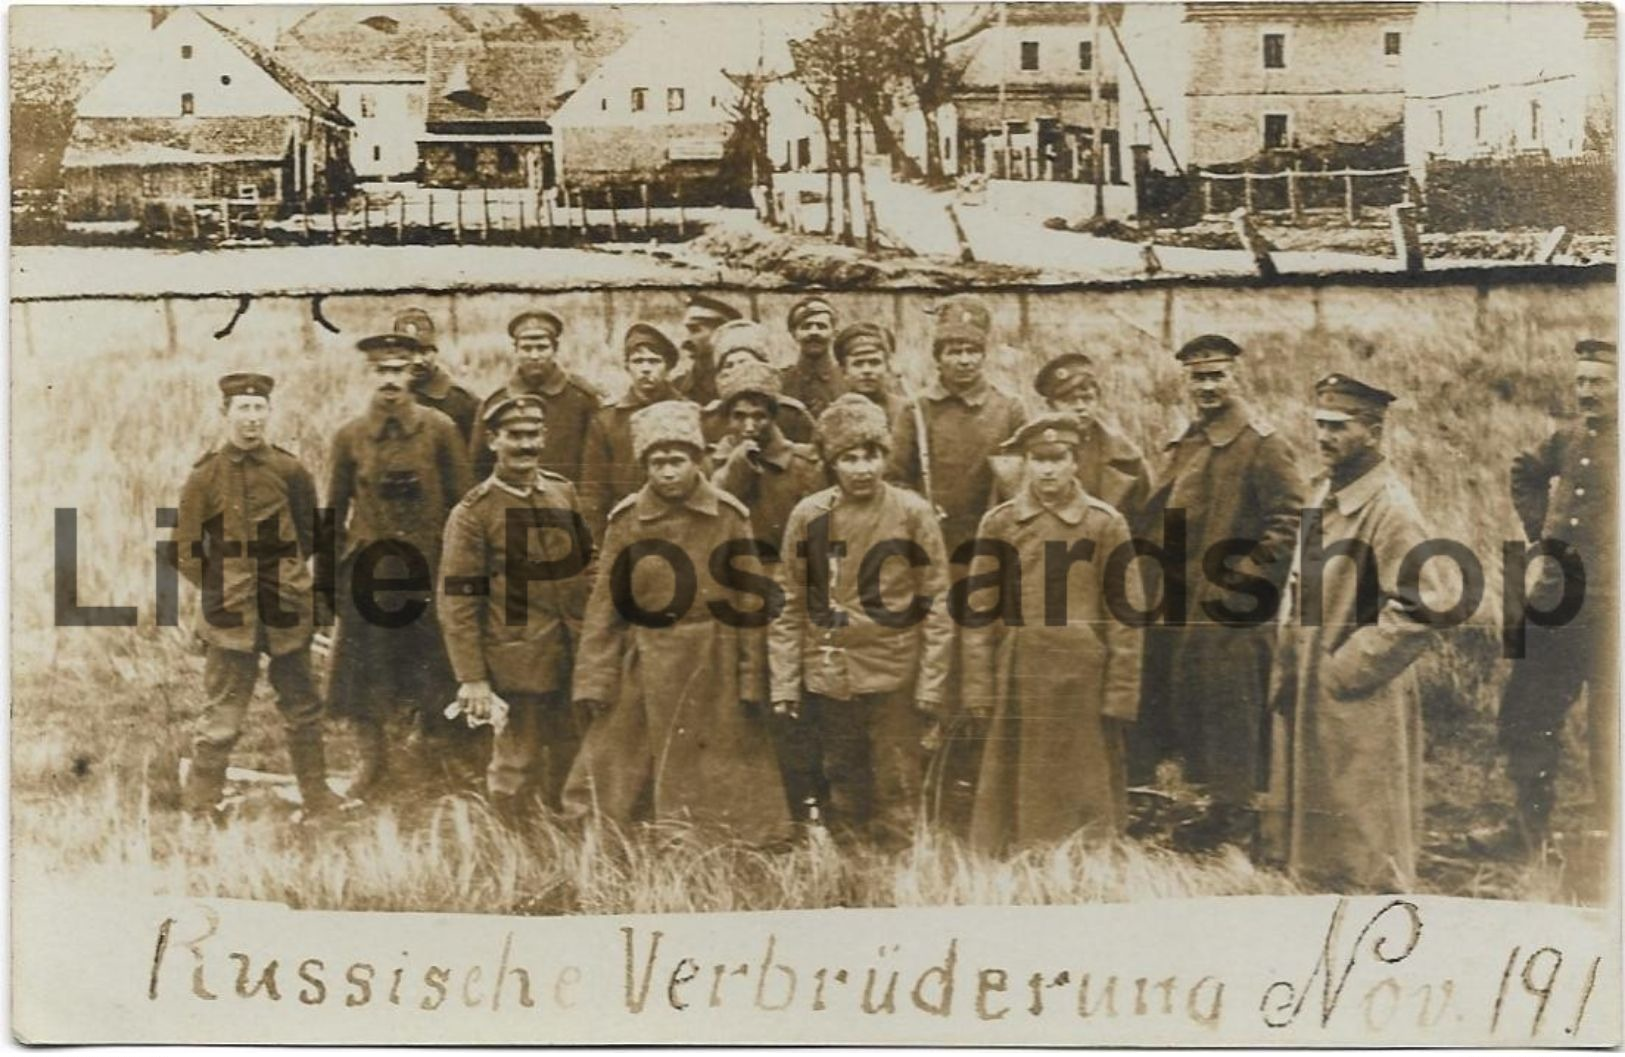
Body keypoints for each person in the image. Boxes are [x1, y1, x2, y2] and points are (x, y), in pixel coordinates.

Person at [564, 400, 789, 844]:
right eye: (657, 462)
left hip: (714, 657)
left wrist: (749, 678)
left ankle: (723, 838)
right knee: (613, 758)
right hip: (645, 654)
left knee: (724, 760)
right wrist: (594, 678)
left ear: (697, 460)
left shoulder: (728, 517)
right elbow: (606, 606)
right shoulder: (627, 520)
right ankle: (603, 836)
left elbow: (747, 603)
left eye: (677, 460)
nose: (667, 472)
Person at [1266, 374, 1449, 891]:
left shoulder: (1390, 509)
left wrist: (1345, 668)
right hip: (1313, 680)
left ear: (1372, 431)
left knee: (1369, 838)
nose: (1323, 437)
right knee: (1320, 832)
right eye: (1319, 425)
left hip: (1360, 693)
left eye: (1338, 427)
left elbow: (1424, 604)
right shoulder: (1323, 489)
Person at [1139, 334, 1306, 852]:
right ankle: (1207, 814)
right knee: (1192, 709)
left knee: (1231, 715)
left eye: (1217, 376)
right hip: (1180, 604)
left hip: (1231, 611)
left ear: (1237, 378)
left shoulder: (1261, 444)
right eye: (1198, 377)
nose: (1207, 387)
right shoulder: (1189, 439)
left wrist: (1243, 584)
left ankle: (1236, 830)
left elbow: (1291, 518)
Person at [770, 394, 954, 845]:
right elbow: (789, 602)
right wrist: (785, 683)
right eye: (848, 458)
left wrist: (931, 685)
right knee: (841, 775)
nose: (861, 468)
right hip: (830, 672)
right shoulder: (809, 515)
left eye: (870, 455)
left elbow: (937, 601)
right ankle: (851, 868)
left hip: (894, 673)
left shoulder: (912, 512)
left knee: (896, 778)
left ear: (884, 456)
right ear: (832, 463)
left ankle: (896, 869)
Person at [964, 414, 1145, 855]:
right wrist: (978, 687)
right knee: (1018, 780)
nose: (1047, 470)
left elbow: (1126, 615)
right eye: (1037, 459)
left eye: (1057, 458)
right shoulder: (1000, 523)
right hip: (1018, 676)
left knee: (1085, 779)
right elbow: (978, 613)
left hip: (1082, 680)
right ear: (1025, 462)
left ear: (1075, 462)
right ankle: (1021, 860)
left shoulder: (1105, 524)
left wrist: (1120, 694)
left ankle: (1086, 861)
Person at [170, 372, 348, 820]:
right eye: (242, 409)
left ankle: (317, 798)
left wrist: (285, 576)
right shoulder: (205, 475)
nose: (251, 419)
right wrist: (220, 585)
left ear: (269, 413)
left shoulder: (290, 470)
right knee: (221, 717)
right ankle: (201, 807)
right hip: (229, 614)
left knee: (303, 708)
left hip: (287, 608)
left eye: (259, 409)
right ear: (225, 414)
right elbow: (183, 549)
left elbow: (312, 536)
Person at [1480, 338, 1618, 858]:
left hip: (1614, 615)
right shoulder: (1569, 437)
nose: (1587, 392)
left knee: (1613, 733)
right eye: (1580, 381)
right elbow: (1524, 469)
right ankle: (1526, 831)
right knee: (1527, 713)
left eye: (1598, 382)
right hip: (1556, 602)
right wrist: (1541, 530)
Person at [323, 333, 474, 798]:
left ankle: (441, 756)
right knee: (366, 669)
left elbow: (463, 503)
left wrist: (461, 571)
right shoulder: (349, 436)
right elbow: (334, 512)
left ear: (413, 371)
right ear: (369, 375)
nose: (390, 380)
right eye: (380, 371)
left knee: (436, 665)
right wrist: (327, 584)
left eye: (398, 369)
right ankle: (373, 762)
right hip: (371, 575)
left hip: (428, 570)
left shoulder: (440, 429)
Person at [439, 396, 594, 818]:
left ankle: (563, 840)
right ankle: (509, 846)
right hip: (515, 660)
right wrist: (472, 678)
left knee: (572, 751)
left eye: (534, 435)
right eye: (515, 437)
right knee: (516, 762)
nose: (526, 446)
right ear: (493, 441)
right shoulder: (473, 514)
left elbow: (588, 569)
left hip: (571, 652)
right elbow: (458, 603)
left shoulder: (563, 493)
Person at [891, 293, 1027, 559]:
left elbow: (1024, 482)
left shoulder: (1010, 408)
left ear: (983, 355)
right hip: (931, 541)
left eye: (973, 351)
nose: (965, 360)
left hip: (995, 542)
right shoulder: (916, 410)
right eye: (954, 352)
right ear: (938, 358)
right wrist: (920, 511)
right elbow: (895, 479)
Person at [987, 351, 1151, 521]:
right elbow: (1000, 525)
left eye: (1087, 399)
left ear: (1098, 399)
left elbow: (1146, 524)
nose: (1080, 407)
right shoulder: (1022, 454)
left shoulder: (1126, 457)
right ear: (1050, 405)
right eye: (1070, 401)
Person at [579, 322, 693, 539]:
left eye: (654, 361)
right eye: (638, 361)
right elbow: (593, 490)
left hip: (680, 524)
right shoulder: (607, 420)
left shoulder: (687, 412)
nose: (646, 369)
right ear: (627, 367)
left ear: (668, 367)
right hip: (628, 526)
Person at [709, 360, 827, 562]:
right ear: (727, 419)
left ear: (773, 419)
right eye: (739, 416)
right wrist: (736, 468)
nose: (749, 426)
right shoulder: (710, 463)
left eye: (759, 416)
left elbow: (822, 538)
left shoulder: (803, 465)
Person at [470, 310, 603, 484]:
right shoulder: (496, 401)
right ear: (516, 350)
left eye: (542, 348)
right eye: (526, 348)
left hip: (566, 501)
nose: (534, 356)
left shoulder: (583, 397)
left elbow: (596, 465)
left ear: (555, 349)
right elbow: (478, 466)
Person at [701, 319, 816, 445]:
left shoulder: (792, 415)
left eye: (744, 363)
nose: (737, 371)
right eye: (729, 365)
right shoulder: (710, 420)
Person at [395, 307, 480, 445]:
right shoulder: (390, 395)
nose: (417, 360)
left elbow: (478, 458)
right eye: (409, 352)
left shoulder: (463, 401)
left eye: (424, 352)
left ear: (435, 351)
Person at [671, 293, 743, 406]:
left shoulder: (741, 384)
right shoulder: (677, 388)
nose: (685, 340)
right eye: (686, 331)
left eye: (695, 330)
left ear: (721, 333)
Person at [779, 295, 844, 418]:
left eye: (821, 326)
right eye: (806, 326)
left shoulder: (847, 379)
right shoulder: (781, 382)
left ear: (834, 333)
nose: (814, 332)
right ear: (794, 333)